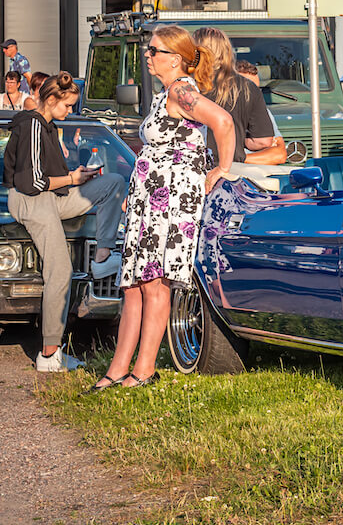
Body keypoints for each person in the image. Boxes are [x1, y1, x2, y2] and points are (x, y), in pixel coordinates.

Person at [91, 25, 235, 391]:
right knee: (134, 283)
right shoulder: (164, 93)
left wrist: (221, 169)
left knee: (154, 282)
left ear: (175, 58)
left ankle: (143, 369)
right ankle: (118, 368)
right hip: (150, 197)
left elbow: (223, 121)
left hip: (171, 199)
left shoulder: (182, 89)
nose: (147, 55)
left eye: (154, 50)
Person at [3, 72, 126, 372]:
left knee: (113, 181)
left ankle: (102, 257)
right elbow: (30, 182)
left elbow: (48, 177)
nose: (70, 111)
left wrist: (76, 177)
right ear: (52, 99)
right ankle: (49, 355)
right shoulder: (33, 124)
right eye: (68, 105)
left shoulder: (47, 125)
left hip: (55, 196)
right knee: (61, 271)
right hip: (30, 200)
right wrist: (72, 178)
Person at [191, 27, 276, 166]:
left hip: (193, 167)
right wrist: (239, 138)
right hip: (232, 168)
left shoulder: (187, 86)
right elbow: (263, 141)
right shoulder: (248, 88)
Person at [235, 60, 287, 166]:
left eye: (257, 90)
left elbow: (279, 155)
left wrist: (239, 158)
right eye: (248, 90)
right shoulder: (218, 112)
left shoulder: (264, 113)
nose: (254, 95)